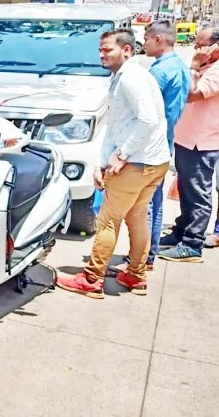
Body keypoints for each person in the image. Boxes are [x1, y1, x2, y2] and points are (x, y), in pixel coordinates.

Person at [56, 29, 169, 298]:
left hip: (138, 163)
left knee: (108, 220)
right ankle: (136, 275)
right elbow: (116, 124)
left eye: (107, 50)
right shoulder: (127, 76)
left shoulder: (131, 78)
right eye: (101, 50)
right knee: (137, 217)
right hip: (153, 161)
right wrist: (100, 162)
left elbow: (148, 120)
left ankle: (92, 279)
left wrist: (122, 155)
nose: (101, 55)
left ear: (127, 50)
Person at [111, 21, 190, 272]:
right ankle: (146, 257)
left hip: (148, 147)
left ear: (157, 39)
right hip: (163, 143)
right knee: (152, 206)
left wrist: (124, 151)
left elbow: (145, 116)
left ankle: (141, 260)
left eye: (145, 39)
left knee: (141, 209)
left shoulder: (158, 73)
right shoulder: (178, 66)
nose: (142, 44)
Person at [157, 26, 219, 262]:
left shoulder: (215, 71)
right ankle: (182, 231)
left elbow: (191, 94)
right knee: (186, 190)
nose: (197, 48)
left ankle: (192, 244)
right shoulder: (207, 66)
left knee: (197, 193)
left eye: (202, 44)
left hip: (201, 143)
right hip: (186, 139)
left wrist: (194, 65)